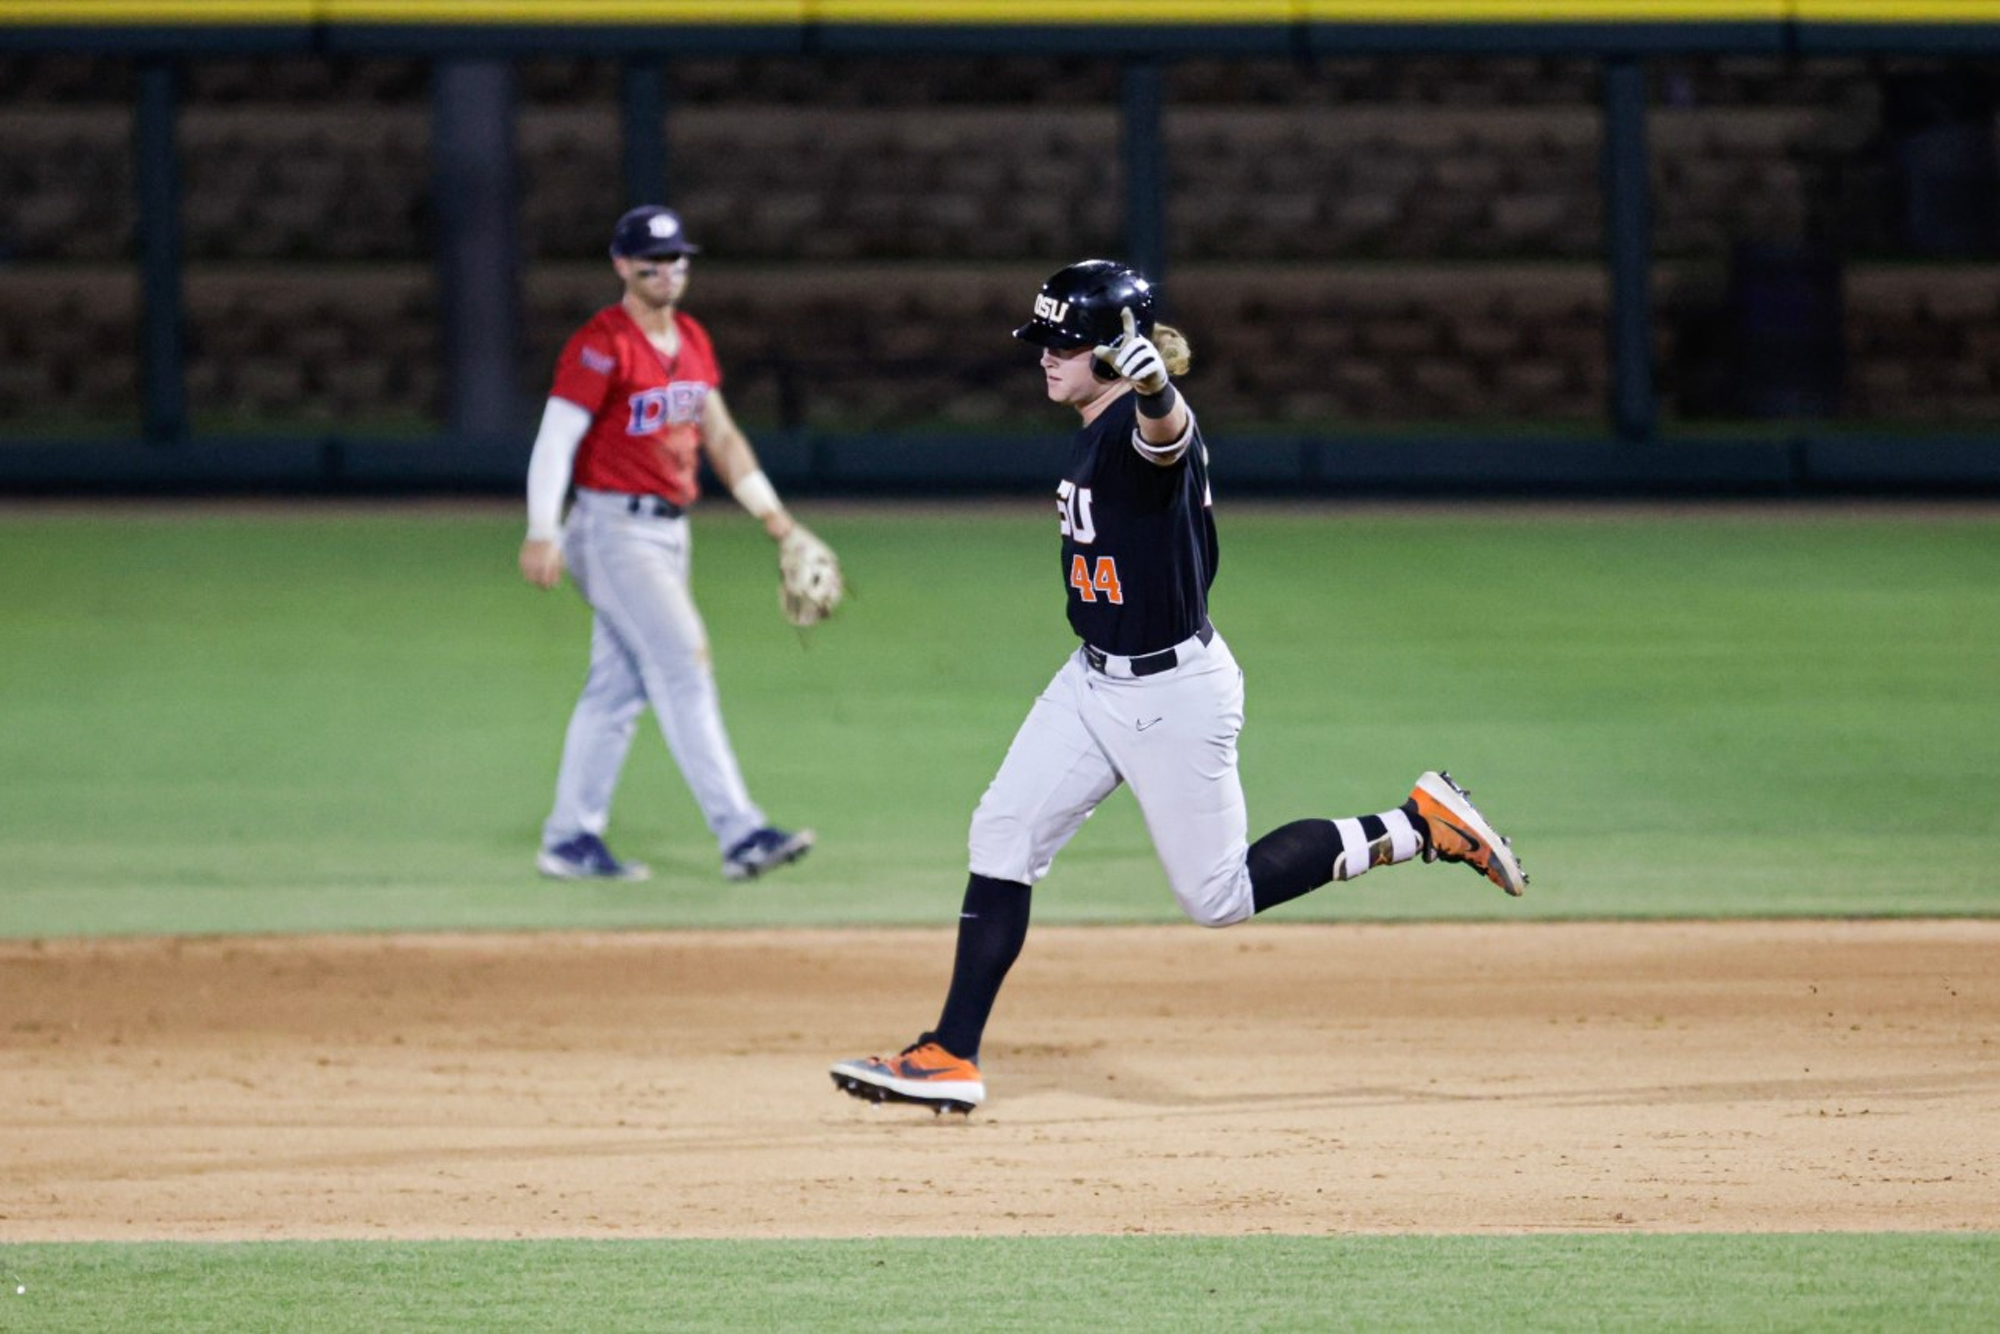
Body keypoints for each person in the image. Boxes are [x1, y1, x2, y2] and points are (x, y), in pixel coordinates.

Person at [830, 259, 1527, 1114]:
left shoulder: (1138, 427)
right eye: (1043, 339)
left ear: (1115, 352)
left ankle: (1420, 825)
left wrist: (1159, 393)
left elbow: (1169, 438)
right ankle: (950, 1054)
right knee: (1002, 833)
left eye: (1065, 342)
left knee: (1219, 897)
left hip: (1172, 696)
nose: (1046, 355)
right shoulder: (1092, 417)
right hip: (1090, 680)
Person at [519, 204, 823, 883]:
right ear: (622, 266)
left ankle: (568, 838)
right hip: (611, 530)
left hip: (667, 533)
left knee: (616, 690)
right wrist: (543, 528)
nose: (667, 271)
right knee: (685, 662)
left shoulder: (690, 339)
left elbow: (720, 436)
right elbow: (557, 438)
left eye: (677, 259)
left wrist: (778, 522)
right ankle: (740, 832)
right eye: (652, 261)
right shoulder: (603, 343)